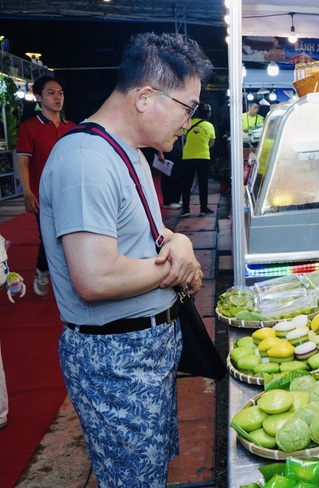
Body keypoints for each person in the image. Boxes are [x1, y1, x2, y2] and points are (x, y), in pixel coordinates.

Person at [38, 32, 210, 486]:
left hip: (145, 351)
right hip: (116, 359)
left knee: (149, 472)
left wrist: (181, 244)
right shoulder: (84, 159)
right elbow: (94, 276)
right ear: (145, 97)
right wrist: (178, 268)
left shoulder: (128, 152)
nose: (189, 122)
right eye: (187, 107)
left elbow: (146, 233)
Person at [15, 75, 74, 297]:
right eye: (51, 93)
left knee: (70, 234)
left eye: (60, 93)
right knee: (48, 236)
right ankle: (42, 268)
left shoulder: (72, 127)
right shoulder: (30, 128)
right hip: (43, 195)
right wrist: (27, 192)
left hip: (70, 193)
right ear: (38, 97)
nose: (58, 97)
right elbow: (22, 161)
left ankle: (69, 275)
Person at [181, 103, 215, 216]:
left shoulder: (190, 123)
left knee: (186, 184)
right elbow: (212, 143)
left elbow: (184, 134)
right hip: (203, 157)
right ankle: (203, 208)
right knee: (203, 184)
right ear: (208, 114)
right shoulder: (209, 126)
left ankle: (185, 210)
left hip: (188, 156)